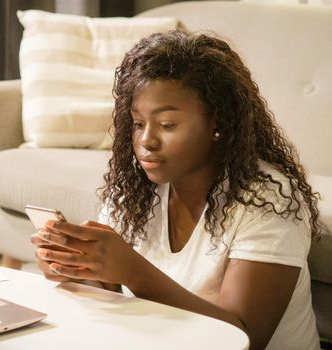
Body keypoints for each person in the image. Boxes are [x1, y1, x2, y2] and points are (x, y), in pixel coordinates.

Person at [30, 29, 321, 350]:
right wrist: (77, 269)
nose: (146, 141)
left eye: (167, 124)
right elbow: (113, 294)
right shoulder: (136, 188)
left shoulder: (268, 199)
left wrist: (135, 272)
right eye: (139, 123)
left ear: (217, 121)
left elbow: (246, 338)